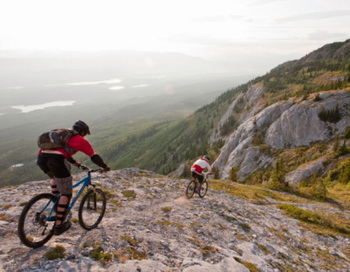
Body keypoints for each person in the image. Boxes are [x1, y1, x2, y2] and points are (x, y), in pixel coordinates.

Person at [37, 120, 111, 235]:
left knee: (56, 179)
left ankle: (57, 204)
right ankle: (58, 225)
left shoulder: (63, 138)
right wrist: (105, 166)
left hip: (42, 159)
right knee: (66, 193)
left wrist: (77, 164)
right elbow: (94, 156)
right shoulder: (79, 139)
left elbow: (63, 152)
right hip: (56, 160)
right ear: (82, 132)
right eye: (85, 133)